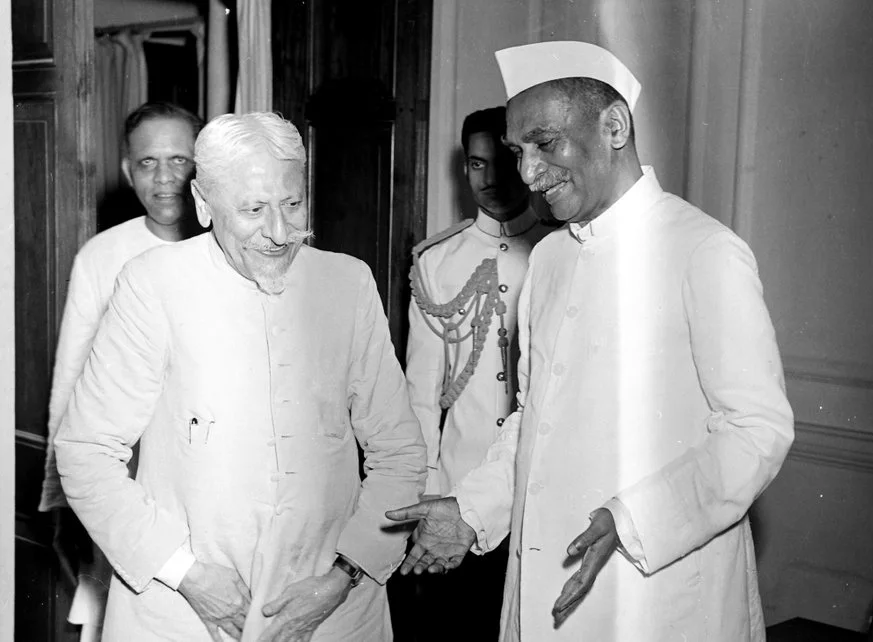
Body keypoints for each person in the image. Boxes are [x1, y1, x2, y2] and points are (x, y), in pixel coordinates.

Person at [387, 41, 795, 641]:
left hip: (656, 586)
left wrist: (632, 522)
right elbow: (532, 421)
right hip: (544, 577)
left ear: (614, 126)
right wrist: (469, 511)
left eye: (545, 144)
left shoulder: (704, 251)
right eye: (517, 151)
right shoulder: (548, 258)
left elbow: (758, 430)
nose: (527, 173)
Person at [55, 112, 426, 641]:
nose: (280, 233)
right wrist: (188, 575)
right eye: (253, 210)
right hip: (183, 607)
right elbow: (86, 450)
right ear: (204, 206)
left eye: (293, 204)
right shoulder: (152, 285)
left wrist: (344, 576)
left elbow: (400, 452)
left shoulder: (347, 282)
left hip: (332, 606)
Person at [38, 101, 204, 642]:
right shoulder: (101, 256)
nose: (165, 178)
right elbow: (70, 377)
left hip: (206, 475)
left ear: (203, 166)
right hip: (127, 477)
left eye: (179, 160)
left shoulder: (228, 248)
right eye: (148, 162)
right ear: (128, 170)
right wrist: (60, 491)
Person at [402, 106, 550, 641]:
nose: (487, 181)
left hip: (541, 491)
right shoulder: (437, 263)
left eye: (500, 163)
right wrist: (430, 494)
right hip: (461, 493)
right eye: (474, 164)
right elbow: (420, 398)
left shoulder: (557, 252)